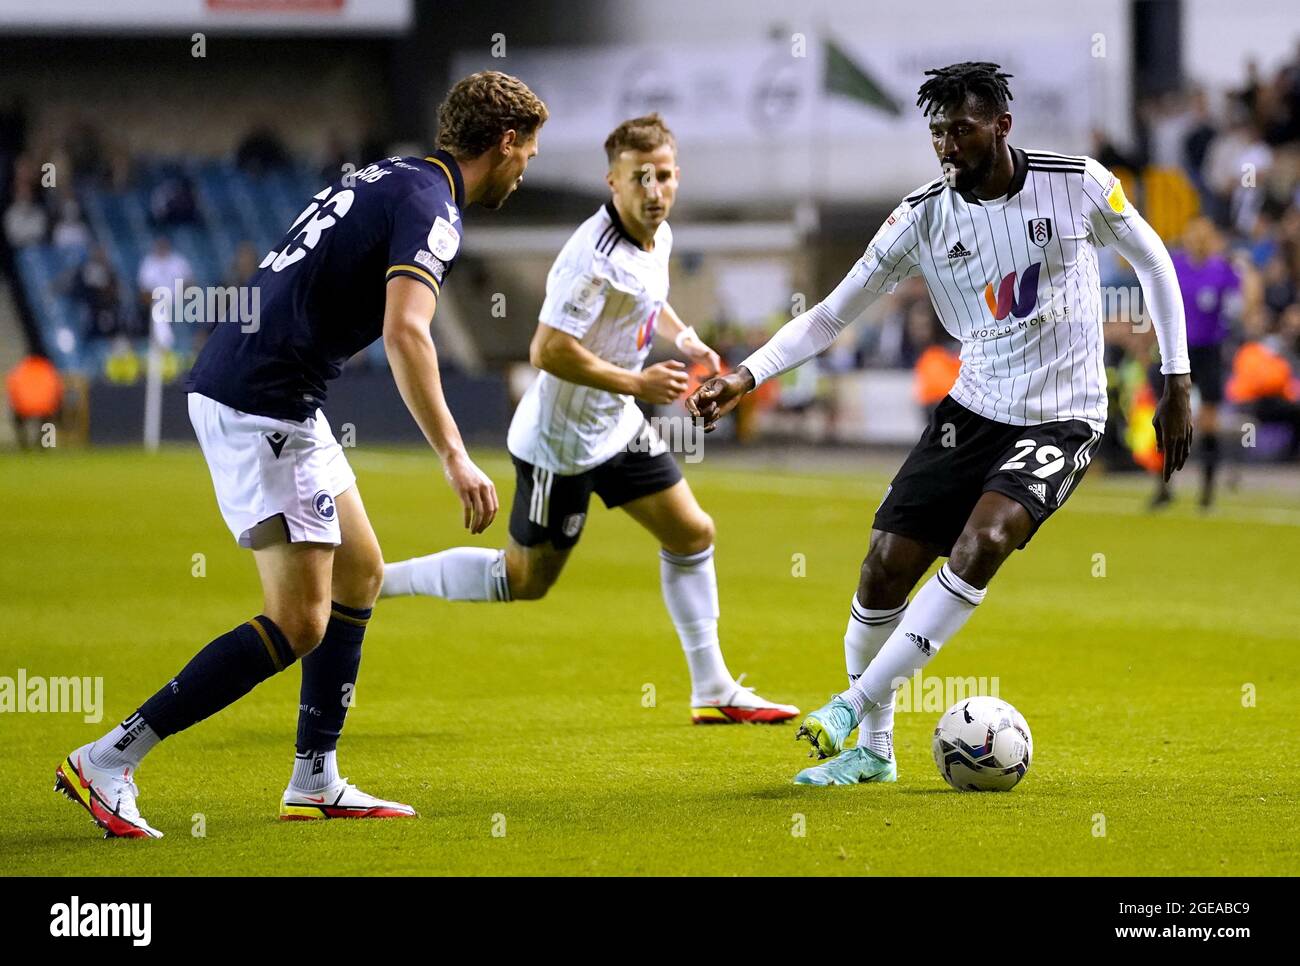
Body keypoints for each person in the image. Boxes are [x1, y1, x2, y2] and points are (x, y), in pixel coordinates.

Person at [55, 71, 547, 838]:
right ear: (507, 142)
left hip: (270, 390)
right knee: (299, 619)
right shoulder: (434, 207)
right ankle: (109, 759)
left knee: (361, 572)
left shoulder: (395, 175)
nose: (528, 171)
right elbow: (407, 331)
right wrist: (456, 454)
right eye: (529, 154)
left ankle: (315, 778)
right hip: (264, 401)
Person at [688, 62, 1193, 786]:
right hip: (974, 410)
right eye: (937, 133)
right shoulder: (922, 216)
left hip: (1064, 416)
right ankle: (874, 750)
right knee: (884, 565)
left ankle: (851, 705)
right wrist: (746, 375)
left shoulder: (1076, 181)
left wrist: (1175, 379)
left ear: (1001, 126)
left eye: (961, 130)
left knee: (985, 538)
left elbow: (1153, 261)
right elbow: (832, 312)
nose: (948, 147)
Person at [382, 114, 798, 724]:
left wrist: (685, 341)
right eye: (640, 179)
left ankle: (712, 688)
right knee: (525, 580)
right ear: (613, 182)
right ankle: (378, 580)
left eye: (664, 176)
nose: (654, 191)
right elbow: (545, 350)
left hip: (616, 425)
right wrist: (637, 380)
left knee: (693, 534)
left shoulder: (660, 236)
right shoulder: (592, 258)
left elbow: (650, 300)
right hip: (561, 441)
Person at [1150, 216, 1239, 508]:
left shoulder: (1223, 269)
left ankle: (1207, 491)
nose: (1198, 239)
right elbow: (1158, 299)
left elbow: (1241, 302)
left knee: (1209, 421)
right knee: (1168, 414)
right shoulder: (1175, 265)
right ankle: (1163, 487)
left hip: (1209, 351)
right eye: (1193, 234)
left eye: (1204, 234)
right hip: (1178, 351)